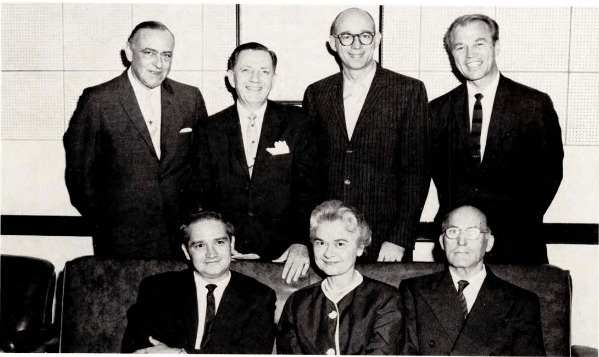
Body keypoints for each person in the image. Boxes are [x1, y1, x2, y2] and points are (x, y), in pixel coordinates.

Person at [63, 21, 208, 259]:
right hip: (120, 241)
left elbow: (203, 166)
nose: (159, 64)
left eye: (166, 55)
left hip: (180, 239)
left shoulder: (189, 98)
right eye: (149, 53)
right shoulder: (98, 101)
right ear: (129, 52)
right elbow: (79, 175)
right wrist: (108, 221)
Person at [430, 14, 563, 264]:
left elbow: (549, 175)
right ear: (452, 55)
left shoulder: (533, 105)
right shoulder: (436, 111)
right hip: (455, 249)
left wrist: (509, 226)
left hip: (518, 247)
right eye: (460, 47)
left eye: (479, 44)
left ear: (496, 47)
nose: (470, 54)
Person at [303, 8, 430, 263]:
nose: (357, 44)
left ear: (378, 39)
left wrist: (399, 238)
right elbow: (309, 174)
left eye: (365, 36)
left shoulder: (408, 91)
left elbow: (416, 172)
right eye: (347, 36)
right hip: (330, 241)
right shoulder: (317, 93)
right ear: (333, 43)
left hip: (385, 241)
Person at [188, 42, 320, 284]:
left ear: (274, 77)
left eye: (264, 71)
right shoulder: (209, 129)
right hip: (226, 256)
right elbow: (201, 196)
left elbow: (308, 193)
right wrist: (218, 243)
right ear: (231, 77)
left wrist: (301, 243)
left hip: (284, 257)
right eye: (246, 70)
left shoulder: (298, 124)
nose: (255, 79)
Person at [121, 210, 276, 354]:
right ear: (186, 251)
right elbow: (138, 347)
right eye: (200, 245)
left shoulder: (259, 296)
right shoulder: (157, 288)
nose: (211, 254)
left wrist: (182, 354)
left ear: (232, 244)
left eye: (219, 242)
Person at [399, 205, 545, 355]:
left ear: (489, 243)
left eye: (472, 233)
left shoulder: (521, 302)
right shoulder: (414, 291)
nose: (461, 241)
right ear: (442, 242)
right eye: (453, 232)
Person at [277, 200, 404, 355]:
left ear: (360, 247)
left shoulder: (385, 299)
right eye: (321, 243)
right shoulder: (297, 302)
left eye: (340, 244)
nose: (328, 253)